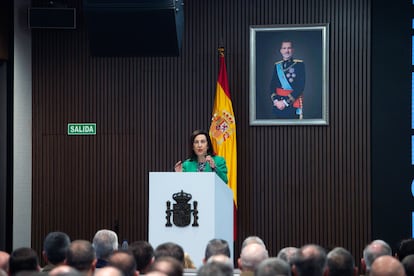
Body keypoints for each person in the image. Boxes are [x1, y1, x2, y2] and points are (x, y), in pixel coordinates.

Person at [269, 40, 305, 119]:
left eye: (289, 48)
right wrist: (276, 101)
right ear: (281, 51)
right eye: (284, 48)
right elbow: (272, 85)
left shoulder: (299, 65)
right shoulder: (277, 66)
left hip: (292, 104)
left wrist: (285, 102)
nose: (287, 51)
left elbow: (300, 87)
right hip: (278, 105)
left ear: (293, 50)